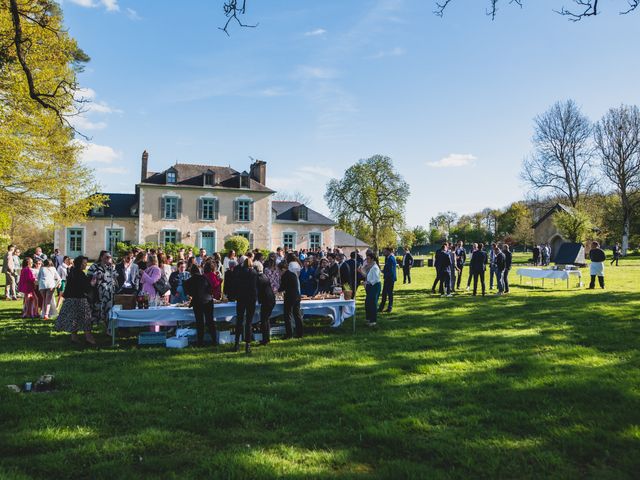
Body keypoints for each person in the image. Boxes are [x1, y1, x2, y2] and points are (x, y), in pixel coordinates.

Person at [55, 256, 95, 345]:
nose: (85, 265)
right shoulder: (79, 274)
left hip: (70, 299)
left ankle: (74, 337)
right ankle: (89, 337)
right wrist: (92, 283)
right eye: (84, 263)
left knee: (74, 318)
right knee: (86, 318)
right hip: (79, 299)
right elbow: (85, 287)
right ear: (80, 264)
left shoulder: (72, 272)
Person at [183, 264, 218, 347]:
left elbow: (188, 293)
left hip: (197, 302)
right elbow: (210, 289)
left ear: (191, 272)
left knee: (200, 323)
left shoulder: (189, 281)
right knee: (210, 321)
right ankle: (214, 341)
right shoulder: (204, 278)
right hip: (208, 301)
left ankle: (200, 342)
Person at [234, 257, 258, 353]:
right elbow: (255, 286)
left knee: (239, 321)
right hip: (250, 298)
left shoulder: (239, 272)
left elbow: (236, 285)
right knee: (249, 322)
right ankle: (248, 344)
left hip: (241, 298)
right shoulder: (253, 273)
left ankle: (237, 343)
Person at [87, 251, 117, 327]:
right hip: (97, 294)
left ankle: (109, 330)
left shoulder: (111, 267)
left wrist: (112, 267)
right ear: (101, 257)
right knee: (96, 311)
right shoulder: (94, 266)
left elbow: (116, 277)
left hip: (109, 294)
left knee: (109, 311)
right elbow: (89, 278)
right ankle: (90, 330)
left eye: (110, 257)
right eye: (107, 257)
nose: (109, 259)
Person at [278, 261, 303, 339]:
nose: (279, 272)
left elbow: (282, 287)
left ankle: (289, 334)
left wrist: (277, 290)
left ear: (283, 269)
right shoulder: (293, 274)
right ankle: (300, 333)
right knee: (297, 315)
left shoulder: (285, 276)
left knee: (287, 315)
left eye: (279, 270)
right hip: (297, 296)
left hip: (289, 297)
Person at [256, 262, 275, 346]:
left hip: (266, 300)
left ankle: (265, 339)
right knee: (266, 320)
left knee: (264, 320)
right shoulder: (264, 276)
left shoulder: (258, 278)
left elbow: (256, 290)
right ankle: (266, 338)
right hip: (270, 299)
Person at [361, 251, 381, 326]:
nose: (367, 260)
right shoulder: (371, 266)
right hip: (371, 286)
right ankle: (369, 319)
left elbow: (375, 279)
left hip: (375, 286)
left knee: (372, 303)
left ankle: (373, 321)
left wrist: (367, 282)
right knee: (367, 303)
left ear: (372, 259)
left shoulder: (375, 267)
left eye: (368, 259)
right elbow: (368, 275)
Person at [378, 248, 397, 313]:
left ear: (389, 251)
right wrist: (382, 271)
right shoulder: (389, 258)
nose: (384, 252)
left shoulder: (391, 258)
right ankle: (381, 307)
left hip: (389, 279)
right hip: (388, 278)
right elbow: (387, 268)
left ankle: (389, 308)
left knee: (389, 293)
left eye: (385, 251)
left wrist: (384, 273)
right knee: (384, 293)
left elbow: (391, 270)